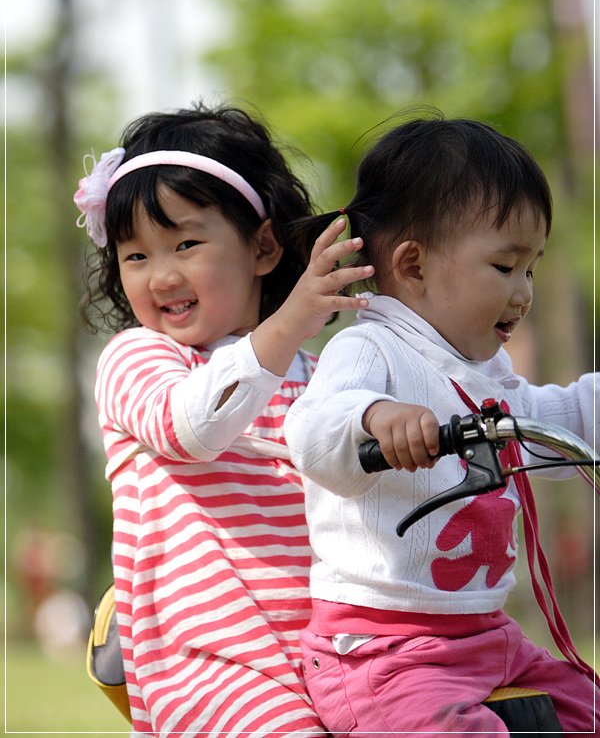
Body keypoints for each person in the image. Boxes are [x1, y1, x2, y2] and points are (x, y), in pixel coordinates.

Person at [284, 113, 599, 736]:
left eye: (531, 269)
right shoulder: (371, 348)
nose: (524, 293)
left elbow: (550, 424)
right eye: (505, 267)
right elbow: (314, 430)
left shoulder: (486, 374)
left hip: (488, 635)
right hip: (384, 649)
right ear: (415, 266)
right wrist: (376, 418)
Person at [74, 101, 372, 737]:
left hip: (326, 652)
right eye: (136, 256)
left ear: (262, 246)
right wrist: (290, 321)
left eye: (186, 243)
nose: (162, 276)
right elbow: (189, 428)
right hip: (204, 662)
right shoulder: (138, 357)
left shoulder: (320, 375)